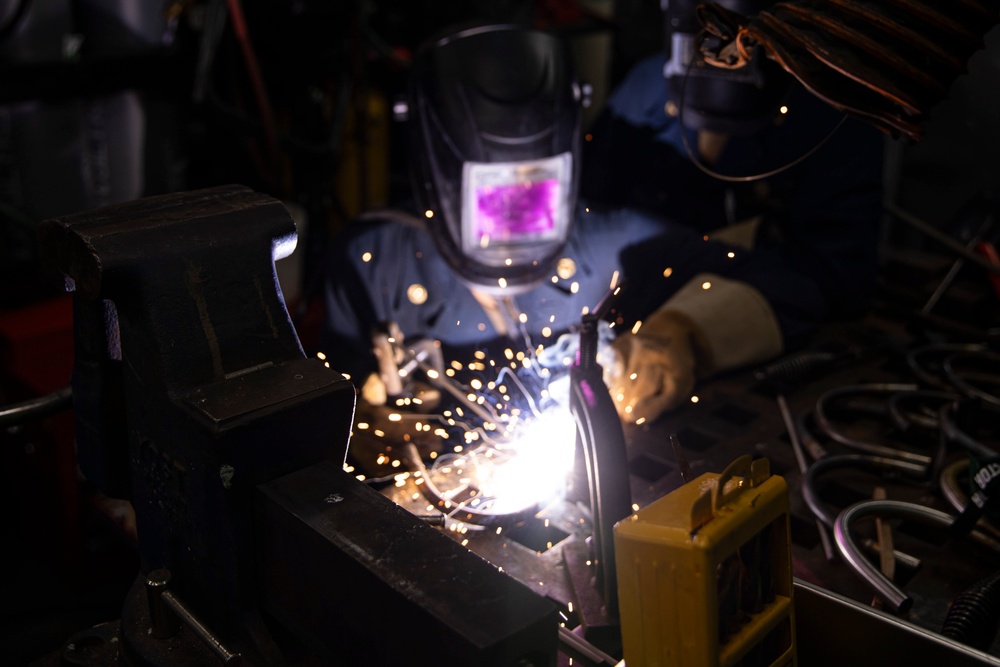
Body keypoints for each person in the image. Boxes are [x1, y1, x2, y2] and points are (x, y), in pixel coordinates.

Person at [318, 18, 885, 433]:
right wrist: (372, 422)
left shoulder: (616, 246)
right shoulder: (371, 265)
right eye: (497, 201)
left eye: (537, 192)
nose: (517, 225)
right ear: (442, 177)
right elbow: (330, 423)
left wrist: (682, 338)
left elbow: (796, 288)